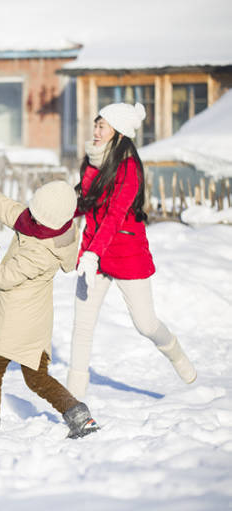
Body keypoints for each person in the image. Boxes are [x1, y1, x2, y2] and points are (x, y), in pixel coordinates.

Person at [0, 176, 98, 438]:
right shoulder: (51, 228)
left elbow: (4, 277)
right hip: (35, 321)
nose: (30, 217)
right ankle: (78, 414)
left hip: (14, 319)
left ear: (47, 219)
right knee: (37, 378)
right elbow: (8, 209)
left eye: (35, 214)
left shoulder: (40, 251)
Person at [67, 102, 196, 399]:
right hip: (94, 254)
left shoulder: (128, 169)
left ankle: (175, 352)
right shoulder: (92, 161)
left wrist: (92, 254)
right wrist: (50, 216)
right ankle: (73, 402)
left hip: (125, 252)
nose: (96, 131)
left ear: (119, 133)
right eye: (96, 124)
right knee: (82, 326)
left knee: (145, 323)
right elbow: (83, 203)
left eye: (102, 126)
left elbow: (114, 217)